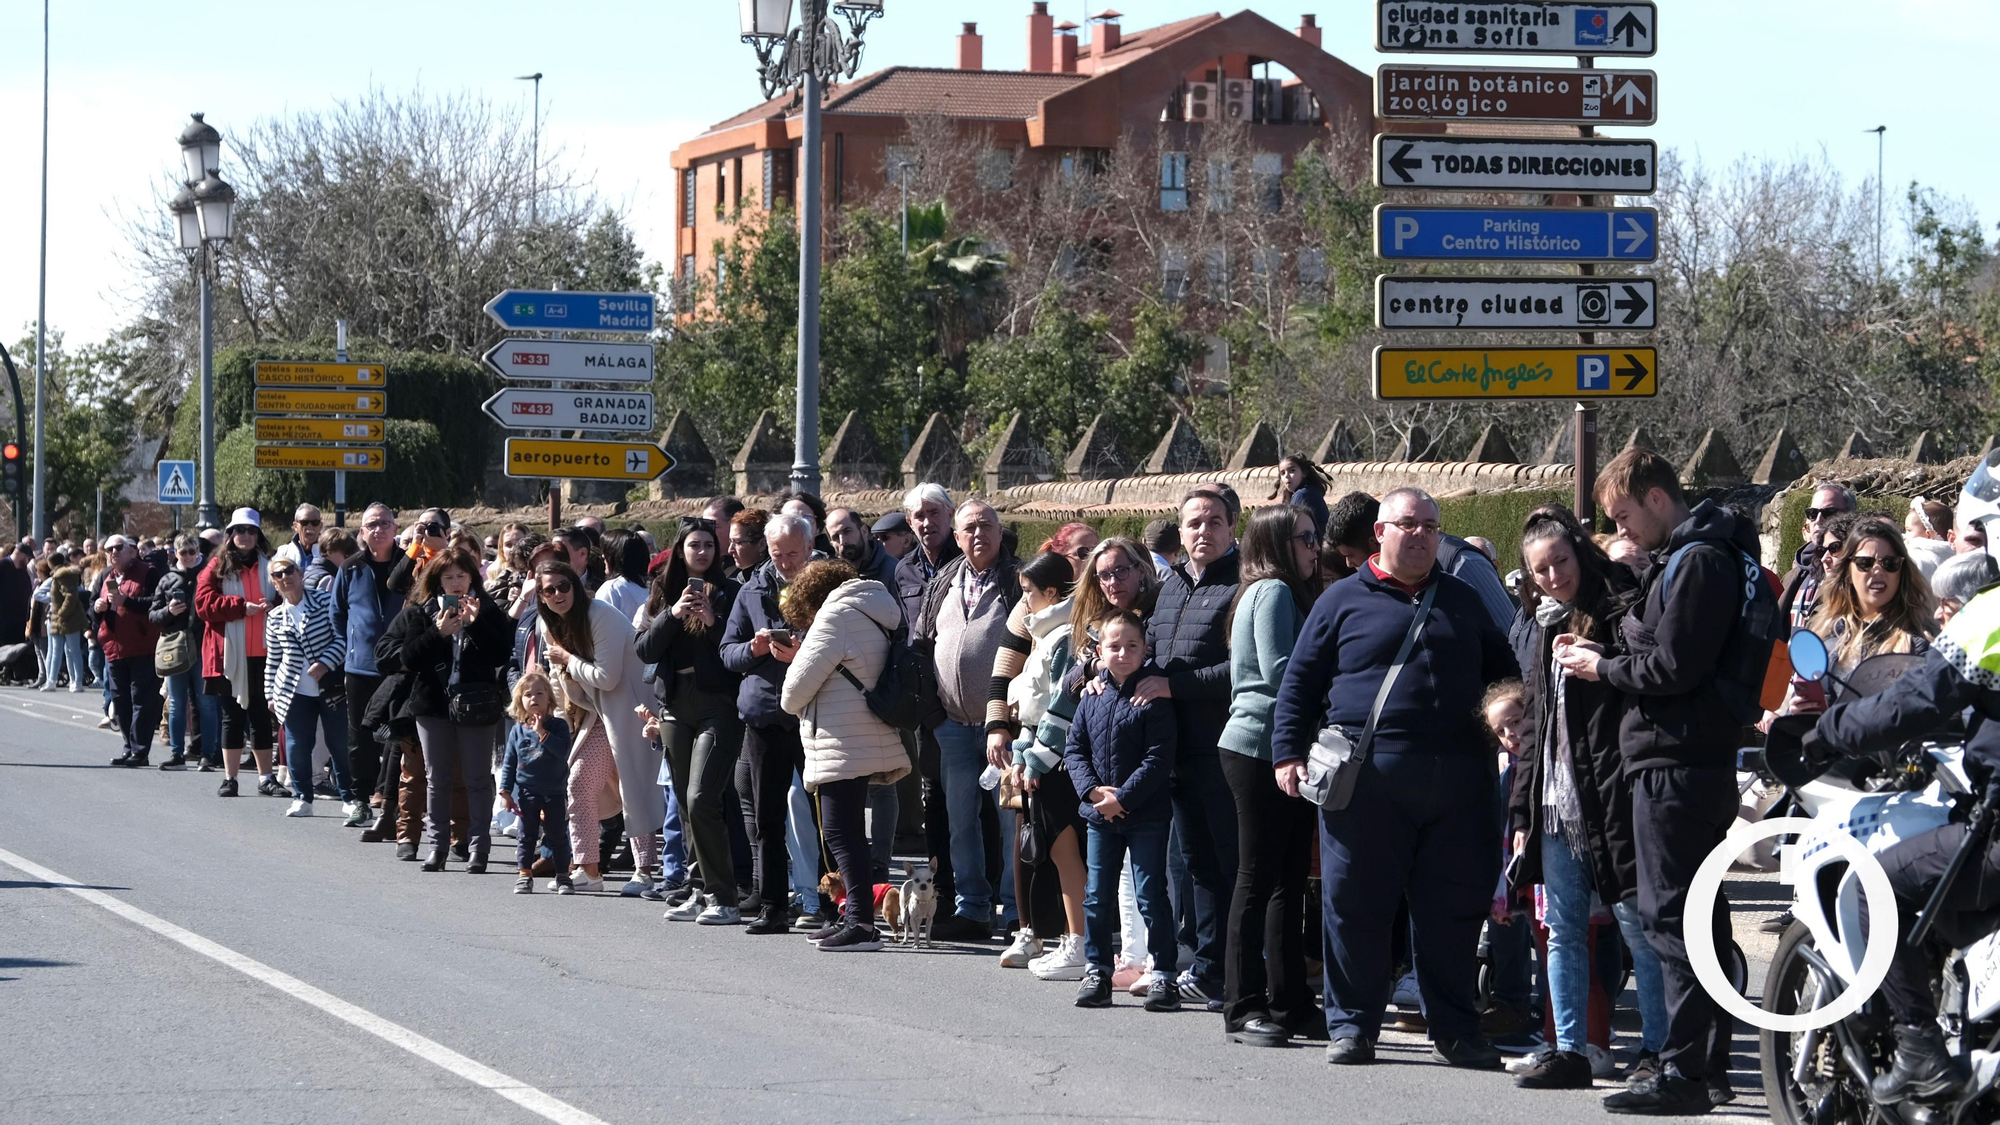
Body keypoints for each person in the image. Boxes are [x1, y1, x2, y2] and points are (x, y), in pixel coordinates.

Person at [1271, 486, 1520, 1070]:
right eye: (1409, 524)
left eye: (1432, 526)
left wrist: (1509, 714)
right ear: (1379, 533)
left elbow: (1505, 675)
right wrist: (1287, 753)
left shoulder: (1462, 599)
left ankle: (1456, 1030)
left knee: (1453, 910)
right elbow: (1300, 684)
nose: (1422, 535)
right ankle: (1352, 1026)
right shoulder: (1339, 602)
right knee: (1354, 905)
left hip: (1460, 781)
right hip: (1368, 781)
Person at [1552, 448, 1762, 1113]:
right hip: (1684, 758)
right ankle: (1706, 1064)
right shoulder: (1703, 554)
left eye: (1624, 515)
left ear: (1655, 496)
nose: (1624, 532)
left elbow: (1673, 666)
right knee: (1697, 917)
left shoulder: (1699, 560)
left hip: (1677, 761)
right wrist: (1610, 654)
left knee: (1674, 920)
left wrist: (1601, 668)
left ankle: (1686, 1070)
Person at [1809, 582, 2000, 1103]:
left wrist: (1829, 730)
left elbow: (1916, 700)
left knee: (1878, 885)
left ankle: (1919, 1047)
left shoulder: (1992, 613)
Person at [1505, 505, 1669, 1089]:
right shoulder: (1545, 624)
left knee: (1635, 925)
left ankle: (1657, 1049)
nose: (1552, 576)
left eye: (1560, 562)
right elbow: (1533, 725)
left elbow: (1650, 672)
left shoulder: (1618, 608)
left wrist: (1603, 662)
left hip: (1612, 798)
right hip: (1554, 803)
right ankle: (1569, 1048)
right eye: (1539, 570)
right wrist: (1521, 811)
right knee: (1564, 930)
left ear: (1579, 552)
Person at [1128, 488, 1242, 1011]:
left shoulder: (1245, 586)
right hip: (1175, 749)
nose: (1203, 531)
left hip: (1222, 748)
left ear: (1232, 527)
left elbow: (1243, 668)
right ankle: (1202, 961)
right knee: (1194, 862)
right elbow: (1150, 648)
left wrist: (1176, 687)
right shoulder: (1169, 584)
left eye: (1214, 521)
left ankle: (1225, 970)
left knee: (1225, 862)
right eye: (1194, 522)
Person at [1218, 503, 1323, 1047]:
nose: (1315, 547)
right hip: (1260, 747)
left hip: (1277, 746)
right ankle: (1243, 1006)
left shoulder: (1275, 591)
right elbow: (1283, 671)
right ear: (1279, 543)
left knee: (1286, 882)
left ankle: (1290, 1003)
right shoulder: (1274, 591)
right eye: (1305, 538)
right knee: (1258, 879)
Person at [778, 557, 911, 952]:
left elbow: (792, 693)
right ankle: (855, 916)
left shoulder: (833, 617)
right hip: (864, 734)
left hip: (842, 739)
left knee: (841, 833)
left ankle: (861, 923)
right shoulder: (871, 610)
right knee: (850, 832)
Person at [915, 498, 1022, 942]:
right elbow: (921, 645)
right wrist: (935, 715)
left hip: (1007, 728)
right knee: (961, 822)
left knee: (1011, 822)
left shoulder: (1018, 580)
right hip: (954, 727)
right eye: (969, 528)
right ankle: (974, 909)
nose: (978, 534)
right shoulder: (943, 581)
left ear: (1000, 532)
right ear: (956, 538)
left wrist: (1012, 719)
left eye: (986, 525)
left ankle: (1019, 910)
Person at [1067, 611, 1180, 1011]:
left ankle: (1164, 974)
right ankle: (1097, 970)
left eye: (1133, 646)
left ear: (1145, 649)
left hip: (1145, 815)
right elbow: (1075, 748)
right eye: (1114, 646)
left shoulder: (1151, 698)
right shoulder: (1092, 696)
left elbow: (1159, 758)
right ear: (1100, 652)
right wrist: (1093, 793)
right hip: (1100, 817)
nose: (1123, 653)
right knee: (1097, 896)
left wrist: (1124, 799)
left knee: (1151, 894)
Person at [377, 548, 512, 872]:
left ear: (472, 578)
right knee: (437, 778)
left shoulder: (487, 609)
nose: (455, 583)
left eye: (461, 576)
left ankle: (479, 848)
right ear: (437, 581)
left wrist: (475, 625)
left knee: (477, 779)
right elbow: (409, 658)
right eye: (448, 577)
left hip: (476, 706)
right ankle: (436, 847)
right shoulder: (422, 612)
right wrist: (439, 633)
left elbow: (500, 655)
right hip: (432, 706)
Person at [637, 518, 744, 924]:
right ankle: (699, 891)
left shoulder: (732, 592)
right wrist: (673, 614)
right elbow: (644, 650)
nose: (701, 552)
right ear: (680, 550)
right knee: (684, 803)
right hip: (674, 705)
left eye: (708, 545)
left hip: (718, 704)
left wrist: (714, 622)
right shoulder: (663, 593)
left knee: (702, 798)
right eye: (693, 545)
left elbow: (738, 652)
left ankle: (724, 897)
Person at [534, 555, 663, 894]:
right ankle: (588, 869)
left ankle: (645, 872)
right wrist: (558, 725)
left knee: (635, 787)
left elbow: (607, 678)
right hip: (596, 714)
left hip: (632, 706)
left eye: (564, 586)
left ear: (575, 587)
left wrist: (569, 659)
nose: (558, 594)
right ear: (541, 596)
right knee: (578, 782)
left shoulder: (600, 615)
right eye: (549, 590)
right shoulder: (550, 625)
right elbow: (560, 682)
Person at [722, 513, 821, 933]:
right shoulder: (752, 589)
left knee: (824, 815)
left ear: (810, 547)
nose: (784, 562)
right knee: (767, 818)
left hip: (815, 711)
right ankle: (773, 905)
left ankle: (829, 902)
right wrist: (755, 649)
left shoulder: (830, 585)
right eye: (777, 554)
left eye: (793, 554)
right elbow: (728, 652)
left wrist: (804, 654)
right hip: (765, 714)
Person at [985, 551, 1082, 971]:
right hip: (1033, 755)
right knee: (1035, 850)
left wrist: (1035, 759)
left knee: (1062, 851)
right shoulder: (1045, 632)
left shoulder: (1064, 637)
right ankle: (1043, 932)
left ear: (1051, 593)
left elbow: (1059, 704)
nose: (1023, 602)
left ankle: (1075, 938)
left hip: (1053, 761)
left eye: (1028, 593)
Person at [895, 484, 964, 914]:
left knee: (972, 798)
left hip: (965, 699)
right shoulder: (903, 570)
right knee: (935, 795)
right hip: (926, 702)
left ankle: (984, 888)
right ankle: (947, 889)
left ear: (950, 515)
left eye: (934, 513)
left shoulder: (968, 563)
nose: (927, 522)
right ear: (909, 522)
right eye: (918, 515)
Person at [335, 504, 412, 849]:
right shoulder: (351, 568)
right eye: (371, 525)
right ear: (361, 532)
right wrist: (355, 646)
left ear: (395, 528)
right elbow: (339, 615)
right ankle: (360, 799)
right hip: (360, 666)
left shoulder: (409, 565)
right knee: (359, 737)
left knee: (397, 735)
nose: (378, 529)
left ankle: (390, 800)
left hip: (400, 665)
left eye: (384, 523)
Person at [262, 555, 362, 822]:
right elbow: (273, 658)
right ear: (273, 582)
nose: (285, 577)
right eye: (278, 575)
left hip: (331, 686)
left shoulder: (324, 600)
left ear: (299, 572)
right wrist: (270, 694)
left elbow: (344, 637)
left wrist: (325, 663)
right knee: (296, 746)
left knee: (339, 744)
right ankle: (302, 797)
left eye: (289, 571)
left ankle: (350, 799)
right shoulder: (274, 617)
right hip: (293, 691)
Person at [196, 510, 279, 798]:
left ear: (258, 535)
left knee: (260, 715)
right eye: (240, 530)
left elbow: (288, 597)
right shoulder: (217, 566)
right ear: (230, 534)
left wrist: (275, 605)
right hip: (229, 655)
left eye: (251, 530)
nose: (245, 535)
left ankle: (266, 778)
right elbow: (203, 605)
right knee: (231, 717)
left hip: (265, 653)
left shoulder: (271, 565)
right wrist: (239, 606)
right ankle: (230, 778)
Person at [1798, 516, 1936, 685]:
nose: (1877, 571)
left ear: (1902, 572)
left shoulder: (1920, 644)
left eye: (1889, 563)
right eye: (1865, 563)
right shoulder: (1822, 629)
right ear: (1847, 571)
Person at [501, 670, 573, 895]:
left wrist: (542, 732)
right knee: (526, 836)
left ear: (549, 699)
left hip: (554, 792)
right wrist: (505, 792)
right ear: (520, 701)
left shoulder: (558, 726)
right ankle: (524, 874)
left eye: (540, 694)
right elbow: (509, 762)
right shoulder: (517, 731)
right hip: (527, 793)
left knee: (557, 836)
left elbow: (562, 751)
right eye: (528, 695)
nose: (534, 698)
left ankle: (563, 875)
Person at [152, 536, 221, 770]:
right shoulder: (168, 579)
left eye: (193, 551)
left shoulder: (208, 574)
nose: (189, 556)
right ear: (176, 553)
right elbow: (154, 616)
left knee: (207, 703)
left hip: (203, 646)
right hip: (176, 647)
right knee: (177, 702)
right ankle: (177, 754)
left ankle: (208, 754)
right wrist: (169, 611)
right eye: (184, 553)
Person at [98, 536, 164, 768]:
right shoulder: (107, 576)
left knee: (141, 700)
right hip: (114, 648)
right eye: (109, 549)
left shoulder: (148, 572)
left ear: (132, 551)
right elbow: (98, 610)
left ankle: (140, 750)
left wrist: (128, 601)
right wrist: (96, 608)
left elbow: (157, 602)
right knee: (120, 701)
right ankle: (128, 747)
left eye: (119, 548)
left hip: (142, 646)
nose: (113, 552)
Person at [1782, 481, 1857, 629]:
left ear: (1850, 517)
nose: (1818, 520)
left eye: (1829, 513)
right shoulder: (1794, 575)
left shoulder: (1856, 577)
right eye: (1812, 513)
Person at [42, 547, 87, 694]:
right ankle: (62, 680)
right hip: (61, 616)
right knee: (66, 651)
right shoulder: (63, 575)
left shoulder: (62, 576)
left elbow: (70, 596)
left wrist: (61, 612)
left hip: (65, 617)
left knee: (70, 651)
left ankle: (75, 681)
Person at [594, 528, 651, 621]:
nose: (603, 556)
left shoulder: (611, 589)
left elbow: (603, 627)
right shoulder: (654, 585)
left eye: (607, 551)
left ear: (616, 556)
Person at [1271, 454, 1332, 539]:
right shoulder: (1307, 491)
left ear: (1304, 473)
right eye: (1283, 473)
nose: (1286, 476)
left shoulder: (1303, 495)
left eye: (1292, 470)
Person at [1904, 497, 1956, 579]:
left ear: (1928, 535)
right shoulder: (1953, 555)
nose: (1905, 535)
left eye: (1909, 530)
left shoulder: (1916, 556)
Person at [273, 503, 325, 571]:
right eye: (304, 522)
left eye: (315, 522)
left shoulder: (329, 553)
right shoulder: (283, 553)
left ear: (320, 526)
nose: (309, 526)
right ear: (295, 526)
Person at [726, 508, 769, 581]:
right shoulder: (738, 580)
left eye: (738, 542)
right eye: (730, 541)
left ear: (762, 545)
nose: (730, 550)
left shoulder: (770, 583)